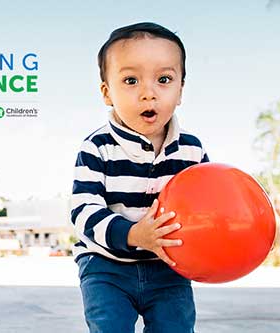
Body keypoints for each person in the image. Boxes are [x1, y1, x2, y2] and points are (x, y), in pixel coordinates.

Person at [71, 22, 209, 333]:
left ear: (181, 90)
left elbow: (210, 207)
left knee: (176, 328)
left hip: (168, 269)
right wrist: (134, 234)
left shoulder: (192, 151)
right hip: (107, 267)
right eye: (131, 80)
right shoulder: (97, 148)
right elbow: (84, 211)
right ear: (107, 93)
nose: (148, 93)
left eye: (164, 79)